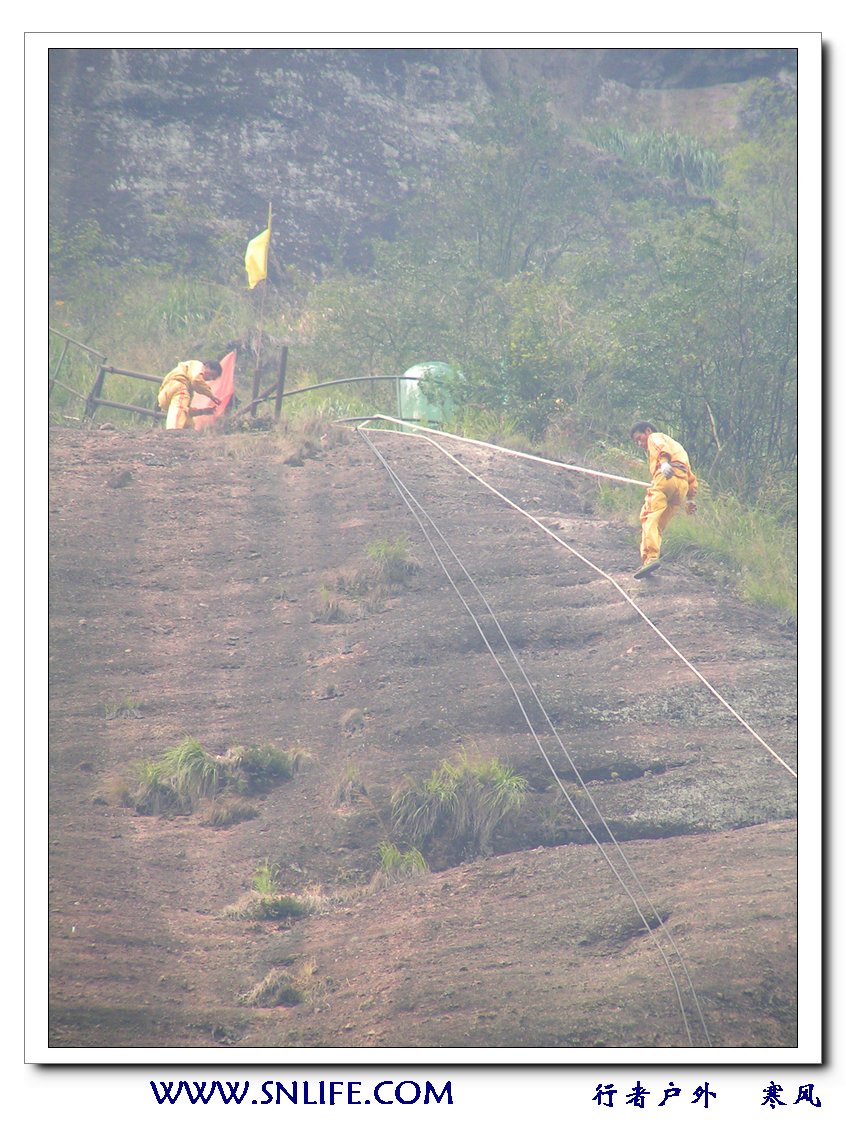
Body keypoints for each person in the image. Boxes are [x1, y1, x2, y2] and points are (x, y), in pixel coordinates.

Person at [630, 421, 698, 579]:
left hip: (666, 479)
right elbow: (690, 476)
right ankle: (651, 559)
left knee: (648, 517)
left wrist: (664, 463)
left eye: (639, 439)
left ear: (647, 431)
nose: (640, 444)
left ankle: (650, 558)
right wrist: (690, 499)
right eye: (636, 442)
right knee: (658, 525)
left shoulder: (655, 437)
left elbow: (661, 448)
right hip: (681, 488)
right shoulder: (679, 448)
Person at [157, 360, 222, 430]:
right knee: (179, 413)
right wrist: (211, 395)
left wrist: (203, 411)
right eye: (211, 375)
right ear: (207, 366)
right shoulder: (198, 365)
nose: (209, 379)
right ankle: (173, 432)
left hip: (165, 394)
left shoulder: (188, 388)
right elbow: (196, 380)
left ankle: (184, 435)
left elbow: (186, 410)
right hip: (177, 386)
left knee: (188, 421)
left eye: (212, 379)